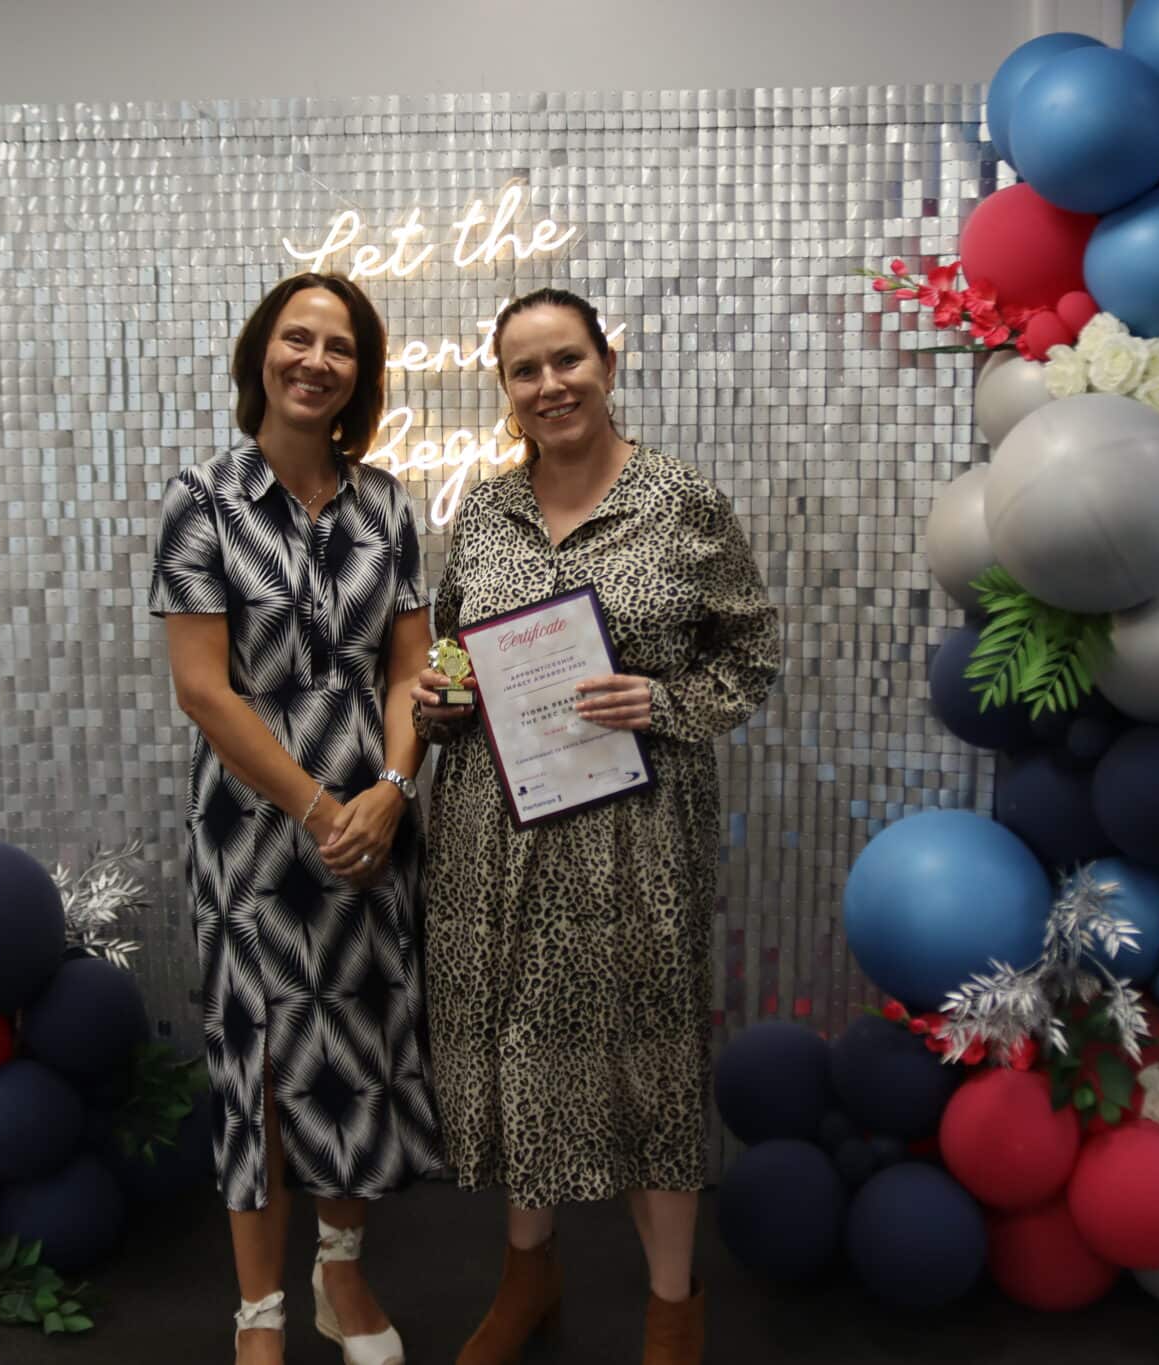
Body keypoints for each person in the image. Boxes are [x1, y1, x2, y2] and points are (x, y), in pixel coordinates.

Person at [410, 288, 780, 1365]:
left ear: (606, 365)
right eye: (524, 369)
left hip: (636, 839)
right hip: (493, 833)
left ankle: (672, 1308)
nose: (549, 385)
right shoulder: (486, 511)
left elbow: (750, 656)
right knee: (516, 1054)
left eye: (566, 360)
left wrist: (660, 700)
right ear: (505, 388)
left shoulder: (680, 501)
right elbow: (450, 651)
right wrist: (438, 705)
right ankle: (528, 1277)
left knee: (649, 1062)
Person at [150, 271, 443, 1365]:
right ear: (260, 354)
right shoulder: (201, 499)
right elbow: (202, 689)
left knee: (357, 1047)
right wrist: (320, 806)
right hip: (252, 829)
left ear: (360, 375)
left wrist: (391, 791)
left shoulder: (388, 506)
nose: (316, 360)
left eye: (340, 346)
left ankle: (341, 1275)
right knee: (262, 1064)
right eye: (297, 337)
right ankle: (259, 1314)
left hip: (372, 824)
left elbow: (410, 669)